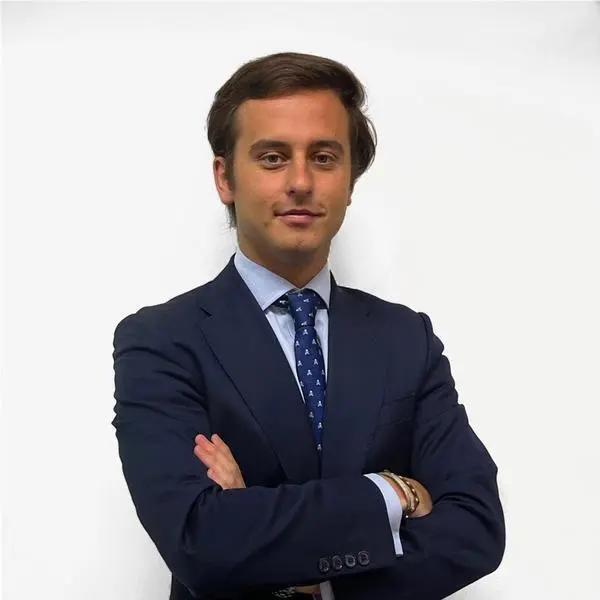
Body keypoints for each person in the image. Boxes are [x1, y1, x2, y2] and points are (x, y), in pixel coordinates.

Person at [112, 51, 505, 600]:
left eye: (323, 157)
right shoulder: (161, 341)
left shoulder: (406, 339)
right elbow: (200, 540)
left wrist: (294, 564)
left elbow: (476, 529)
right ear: (225, 177)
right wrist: (393, 492)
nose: (300, 181)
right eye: (272, 158)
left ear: (350, 180)